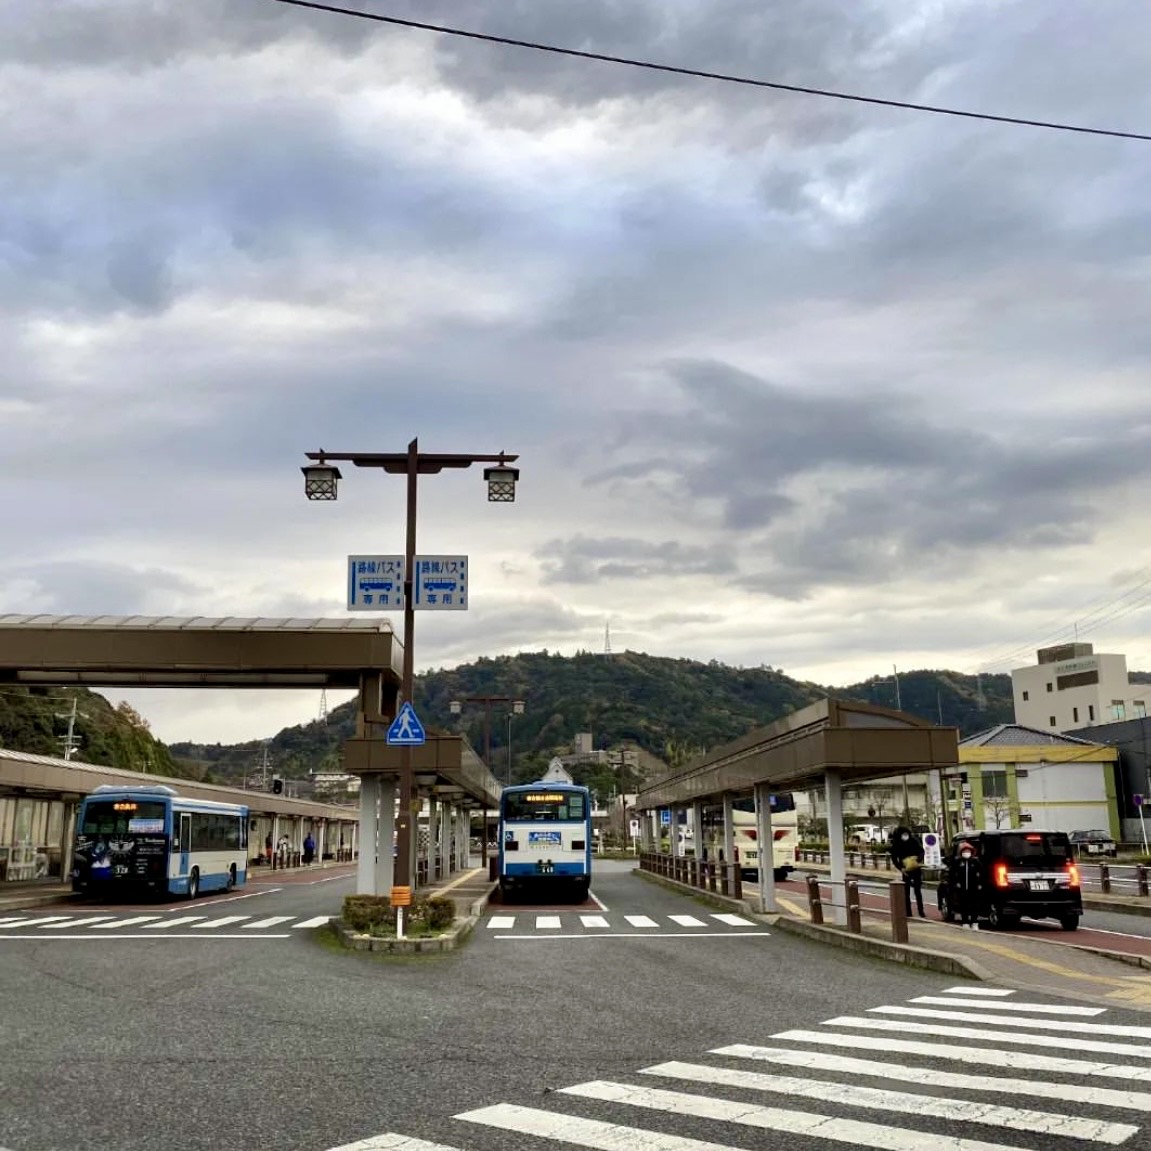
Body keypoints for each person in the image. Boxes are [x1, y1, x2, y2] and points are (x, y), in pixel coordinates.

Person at [890, 826, 926, 918]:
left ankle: (921, 911)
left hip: (916, 868)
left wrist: (918, 859)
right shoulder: (897, 844)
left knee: (918, 890)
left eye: (906, 834)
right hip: (905, 869)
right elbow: (894, 858)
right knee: (906, 892)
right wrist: (901, 868)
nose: (905, 836)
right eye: (903, 834)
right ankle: (908, 912)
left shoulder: (914, 841)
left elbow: (921, 851)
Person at [952, 841, 983, 930]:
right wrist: (956, 883)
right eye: (964, 851)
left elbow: (981, 873)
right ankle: (965, 922)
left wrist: (979, 884)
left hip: (973, 888)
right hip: (962, 888)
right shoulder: (958, 862)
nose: (966, 853)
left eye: (968, 851)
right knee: (964, 905)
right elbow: (953, 874)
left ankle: (974, 922)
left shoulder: (975, 862)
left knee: (974, 905)